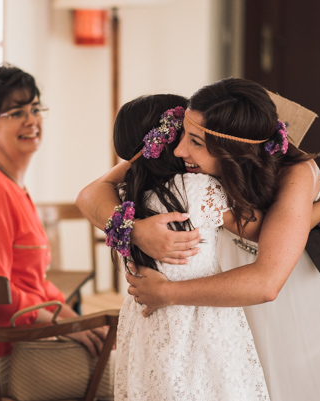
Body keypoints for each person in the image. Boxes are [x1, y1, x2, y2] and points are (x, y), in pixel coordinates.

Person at [77, 78, 320, 401]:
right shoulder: (190, 156)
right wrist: (137, 231)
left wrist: (167, 292)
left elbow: (267, 280)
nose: (180, 149)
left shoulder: (293, 174)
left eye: (194, 141)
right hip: (238, 286)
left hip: (307, 284)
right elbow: (89, 194)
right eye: (180, 134)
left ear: (232, 151)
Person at [0, 64, 107, 396]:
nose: (31, 120)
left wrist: (68, 317)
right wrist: (63, 324)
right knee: (137, 375)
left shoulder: (9, 185)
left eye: (35, 108)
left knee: (123, 352)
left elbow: (29, 283)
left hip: (20, 342)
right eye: (16, 112)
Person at [107, 93, 271, 400]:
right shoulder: (198, 189)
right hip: (198, 314)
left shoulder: (124, 193)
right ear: (166, 141)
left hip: (145, 317)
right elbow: (260, 228)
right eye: (182, 133)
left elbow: (92, 192)